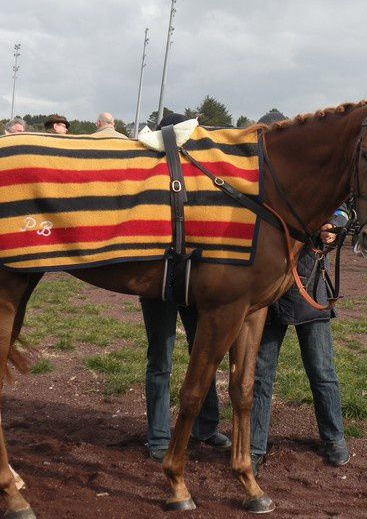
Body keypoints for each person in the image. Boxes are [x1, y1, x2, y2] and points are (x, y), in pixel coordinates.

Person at [139, 112, 230, 462]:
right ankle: (159, 435)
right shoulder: (148, 179)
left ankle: (205, 426)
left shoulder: (199, 176)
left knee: (201, 352)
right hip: (157, 280)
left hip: (194, 279)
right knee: (161, 356)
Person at [250, 206, 351, 476]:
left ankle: (333, 437)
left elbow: (343, 209)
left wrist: (333, 224)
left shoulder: (319, 174)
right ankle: (253, 447)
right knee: (261, 375)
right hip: (270, 289)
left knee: (322, 372)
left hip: (311, 284)